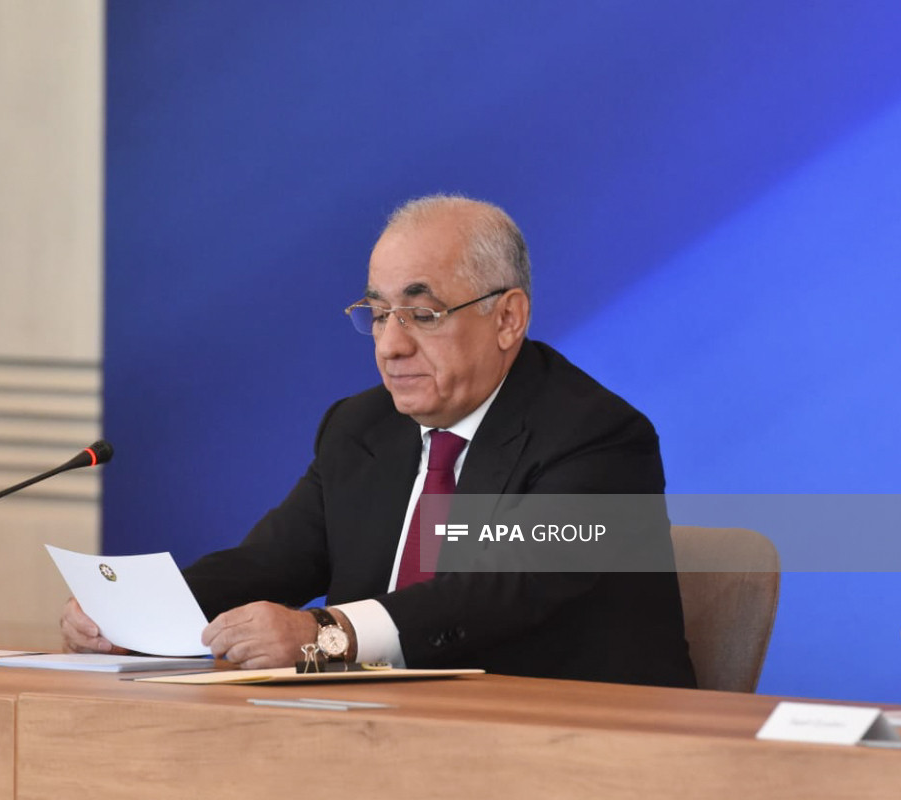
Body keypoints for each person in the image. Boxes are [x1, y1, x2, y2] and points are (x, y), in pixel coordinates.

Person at [62, 194, 696, 688]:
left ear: (507, 318)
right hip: (383, 729)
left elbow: (501, 590)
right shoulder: (360, 428)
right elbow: (271, 562)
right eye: (378, 314)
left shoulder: (598, 437)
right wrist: (133, 615)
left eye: (422, 314)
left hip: (572, 743)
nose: (391, 344)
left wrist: (326, 634)